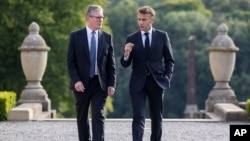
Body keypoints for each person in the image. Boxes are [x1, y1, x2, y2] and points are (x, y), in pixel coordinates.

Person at [120, 6, 174, 141]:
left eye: (144, 19)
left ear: (152, 20)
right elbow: (125, 64)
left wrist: (167, 78)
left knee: (156, 117)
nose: (141, 22)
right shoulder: (131, 38)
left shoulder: (162, 36)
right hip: (137, 84)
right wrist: (126, 54)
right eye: (139, 19)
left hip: (157, 82)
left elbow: (169, 60)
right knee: (138, 116)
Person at [67, 4, 116, 141]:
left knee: (98, 116)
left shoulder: (107, 37)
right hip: (81, 84)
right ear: (88, 18)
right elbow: (71, 62)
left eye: (102, 17)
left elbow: (111, 64)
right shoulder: (76, 36)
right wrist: (76, 80)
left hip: (99, 84)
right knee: (82, 117)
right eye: (98, 17)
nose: (101, 20)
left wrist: (112, 83)